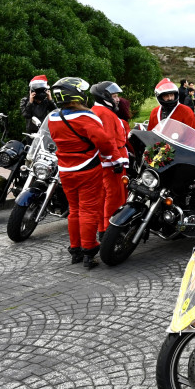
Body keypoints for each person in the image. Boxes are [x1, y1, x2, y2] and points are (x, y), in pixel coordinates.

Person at [48, 77, 117, 268]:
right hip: (87, 168)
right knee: (88, 210)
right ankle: (89, 251)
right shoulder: (85, 118)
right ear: (76, 95)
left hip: (65, 169)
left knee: (74, 210)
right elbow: (103, 142)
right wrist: (112, 157)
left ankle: (75, 249)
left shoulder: (54, 118)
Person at [90, 81, 129, 241]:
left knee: (104, 197)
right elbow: (108, 140)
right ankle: (110, 231)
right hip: (112, 163)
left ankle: (102, 229)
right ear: (104, 97)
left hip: (105, 162)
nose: (118, 99)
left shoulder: (97, 111)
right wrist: (116, 161)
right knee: (114, 197)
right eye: (114, 96)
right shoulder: (104, 113)